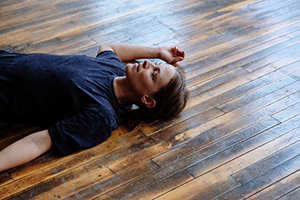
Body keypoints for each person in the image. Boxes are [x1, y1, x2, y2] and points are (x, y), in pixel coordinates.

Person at [0, 44, 188, 172]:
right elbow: (108, 47)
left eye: (154, 73)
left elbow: (39, 142)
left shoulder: (102, 115)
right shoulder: (114, 67)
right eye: (156, 65)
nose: (147, 63)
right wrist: (157, 52)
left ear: (148, 100)